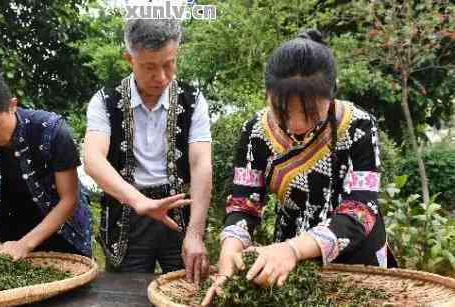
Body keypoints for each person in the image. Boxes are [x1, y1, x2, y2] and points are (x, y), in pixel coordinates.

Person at [203, 29, 396, 305]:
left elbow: (361, 209)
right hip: (286, 262)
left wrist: (293, 249)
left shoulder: (359, 126)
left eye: (311, 113)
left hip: (355, 261)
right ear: (267, 94)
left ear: (332, 94)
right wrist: (229, 253)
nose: (297, 125)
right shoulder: (255, 132)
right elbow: (243, 205)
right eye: (282, 112)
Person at [84, 18, 212, 283]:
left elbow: (200, 163)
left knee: (186, 290)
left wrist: (196, 233)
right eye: (149, 67)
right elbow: (93, 160)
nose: (162, 77)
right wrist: (141, 202)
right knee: (126, 293)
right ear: (129, 59)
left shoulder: (194, 101)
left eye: (169, 64)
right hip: (127, 216)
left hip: (178, 212)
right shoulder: (104, 101)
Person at [0, 69, 91, 260]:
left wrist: (26, 244)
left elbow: (69, 199)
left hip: (63, 235)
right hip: (9, 239)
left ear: (12, 105)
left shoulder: (53, 130)